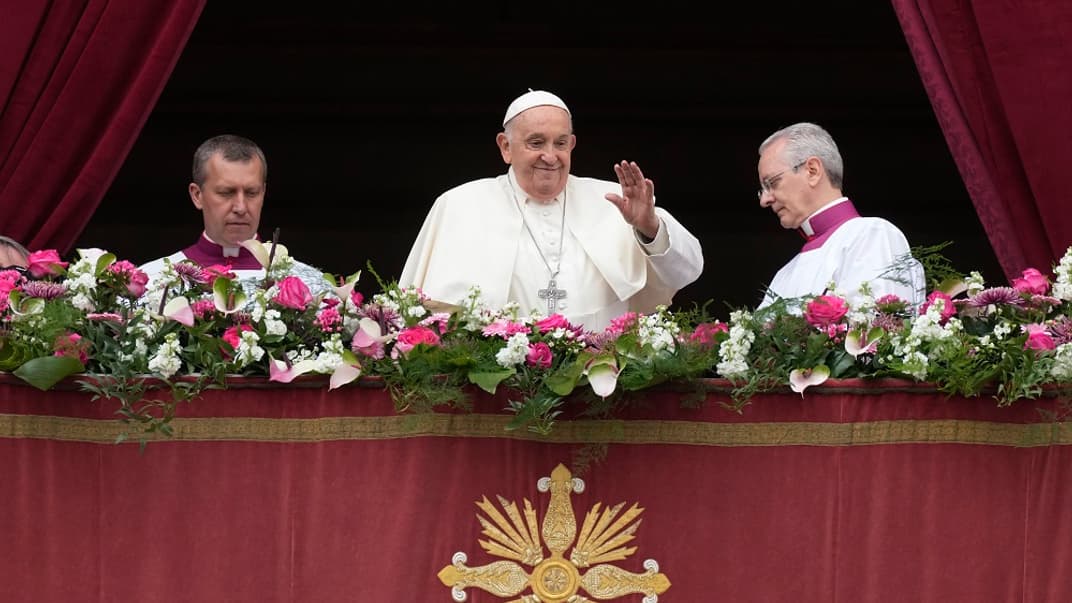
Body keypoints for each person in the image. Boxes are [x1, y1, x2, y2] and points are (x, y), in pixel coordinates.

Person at [399, 89, 703, 331]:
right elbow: (417, 314)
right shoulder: (460, 205)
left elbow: (688, 270)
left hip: (606, 385)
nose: (550, 156)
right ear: (505, 146)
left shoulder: (614, 201)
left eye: (560, 143)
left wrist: (649, 227)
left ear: (572, 144)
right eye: (536, 143)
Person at [755, 122, 925, 310]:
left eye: (772, 183)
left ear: (812, 171)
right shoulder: (783, 275)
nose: (765, 199)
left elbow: (883, 331)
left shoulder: (872, 235)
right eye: (762, 189)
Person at [139, 134, 329, 296]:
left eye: (251, 192)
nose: (240, 207)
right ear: (197, 195)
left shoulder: (311, 286)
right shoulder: (152, 282)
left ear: (263, 193)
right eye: (226, 192)